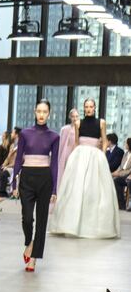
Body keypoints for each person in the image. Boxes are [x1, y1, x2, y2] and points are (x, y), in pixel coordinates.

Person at [50, 98, 120, 239]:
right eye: (86, 106)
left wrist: (103, 156)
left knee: (93, 190)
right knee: (76, 189)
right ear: (84, 108)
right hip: (80, 156)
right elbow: (76, 142)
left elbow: (105, 141)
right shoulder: (78, 123)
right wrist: (72, 160)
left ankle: (92, 226)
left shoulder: (101, 122)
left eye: (91, 106)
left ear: (95, 108)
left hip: (96, 157)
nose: (88, 109)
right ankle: (72, 224)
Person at [11, 100, 60, 273]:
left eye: (44, 111)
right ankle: (28, 242)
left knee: (41, 220)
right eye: (38, 111)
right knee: (27, 217)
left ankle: (33, 259)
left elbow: (54, 164)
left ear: (49, 113)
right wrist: (14, 181)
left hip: (44, 178)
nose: (41, 114)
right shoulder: (25, 133)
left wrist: (55, 188)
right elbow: (18, 159)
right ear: (34, 112)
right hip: (27, 178)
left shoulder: (54, 136)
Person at [111, 138, 131, 209]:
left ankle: (125, 204)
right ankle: (118, 203)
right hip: (122, 172)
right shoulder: (126, 154)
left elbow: (129, 170)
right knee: (114, 179)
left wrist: (119, 174)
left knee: (118, 180)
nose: (125, 144)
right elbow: (121, 165)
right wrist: (116, 172)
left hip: (128, 174)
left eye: (126, 143)